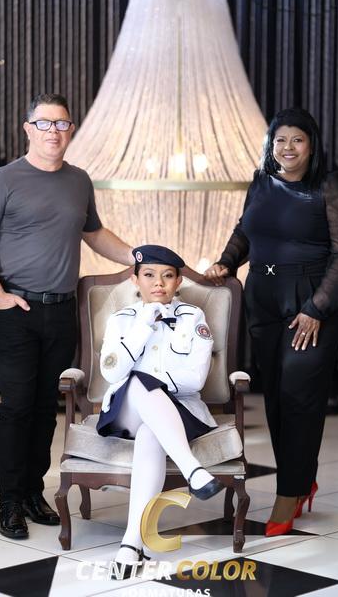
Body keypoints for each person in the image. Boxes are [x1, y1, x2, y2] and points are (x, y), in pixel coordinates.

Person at [0, 93, 134, 540]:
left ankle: (31, 493)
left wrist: (136, 257)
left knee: (45, 408)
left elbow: (95, 233)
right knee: (17, 407)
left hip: (60, 311)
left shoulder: (79, 181)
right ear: (28, 128)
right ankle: (8, 502)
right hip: (16, 311)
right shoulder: (3, 180)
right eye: (44, 123)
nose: (53, 132)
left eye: (62, 124)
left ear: (70, 130)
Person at [204, 108, 338, 536]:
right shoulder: (261, 182)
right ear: (271, 145)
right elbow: (245, 231)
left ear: (312, 145)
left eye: (297, 140)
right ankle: (302, 478)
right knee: (274, 396)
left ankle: (289, 493)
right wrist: (226, 261)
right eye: (280, 140)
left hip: (311, 302)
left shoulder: (328, 186)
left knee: (298, 397)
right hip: (264, 298)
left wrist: (317, 307)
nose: (288, 148)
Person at [97, 244, 224, 578]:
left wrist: (155, 387)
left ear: (178, 281)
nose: (158, 283)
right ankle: (192, 469)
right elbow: (111, 372)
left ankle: (131, 543)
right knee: (139, 382)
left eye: (168, 276)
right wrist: (144, 324)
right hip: (125, 412)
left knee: (150, 432)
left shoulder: (193, 317)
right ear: (135, 279)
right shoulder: (121, 320)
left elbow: (195, 379)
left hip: (179, 412)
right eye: (149, 275)